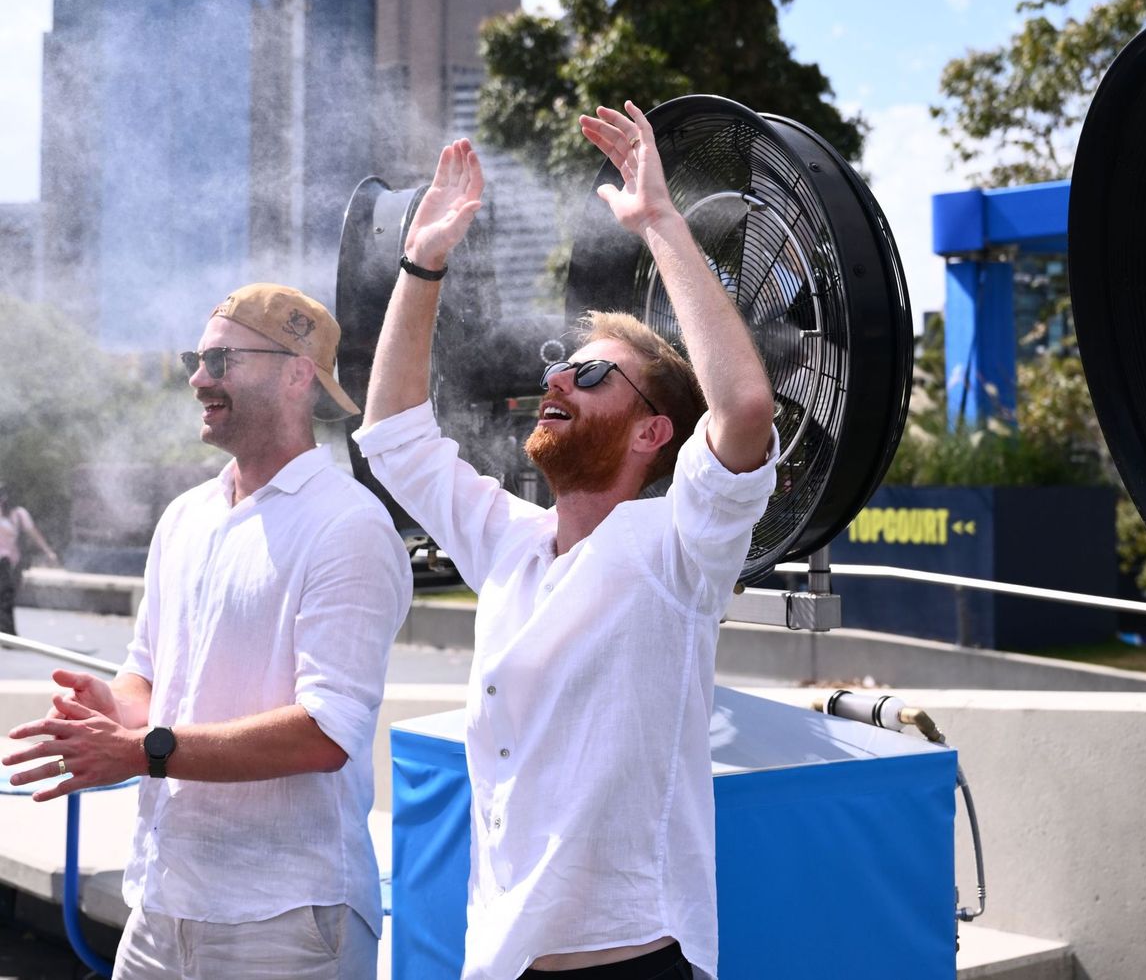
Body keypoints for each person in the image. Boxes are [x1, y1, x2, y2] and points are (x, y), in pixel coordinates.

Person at [352, 102, 777, 979]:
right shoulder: (510, 543)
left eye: (591, 375)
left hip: (633, 961)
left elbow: (741, 410)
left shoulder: (676, 549)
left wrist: (659, 221)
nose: (557, 377)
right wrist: (423, 261)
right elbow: (393, 433)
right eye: (559, 363)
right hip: (503, 960)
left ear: (655, 432)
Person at [4, 284, 412, 980]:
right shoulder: (186, 515)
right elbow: (148, 677)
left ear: (296, 374)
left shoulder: (348, 526)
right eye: (198, 358)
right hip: (161, 910)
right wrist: (113, 712)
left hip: (287, 924)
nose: (198, 378)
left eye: (221, 360)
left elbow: (326, 733)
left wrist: (140, 749)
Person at [0, 482, 62, 636]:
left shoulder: (19, 514)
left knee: (6, 597)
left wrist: (48, 552)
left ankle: (7, 633)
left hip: (9, 562)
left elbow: (33, 533)